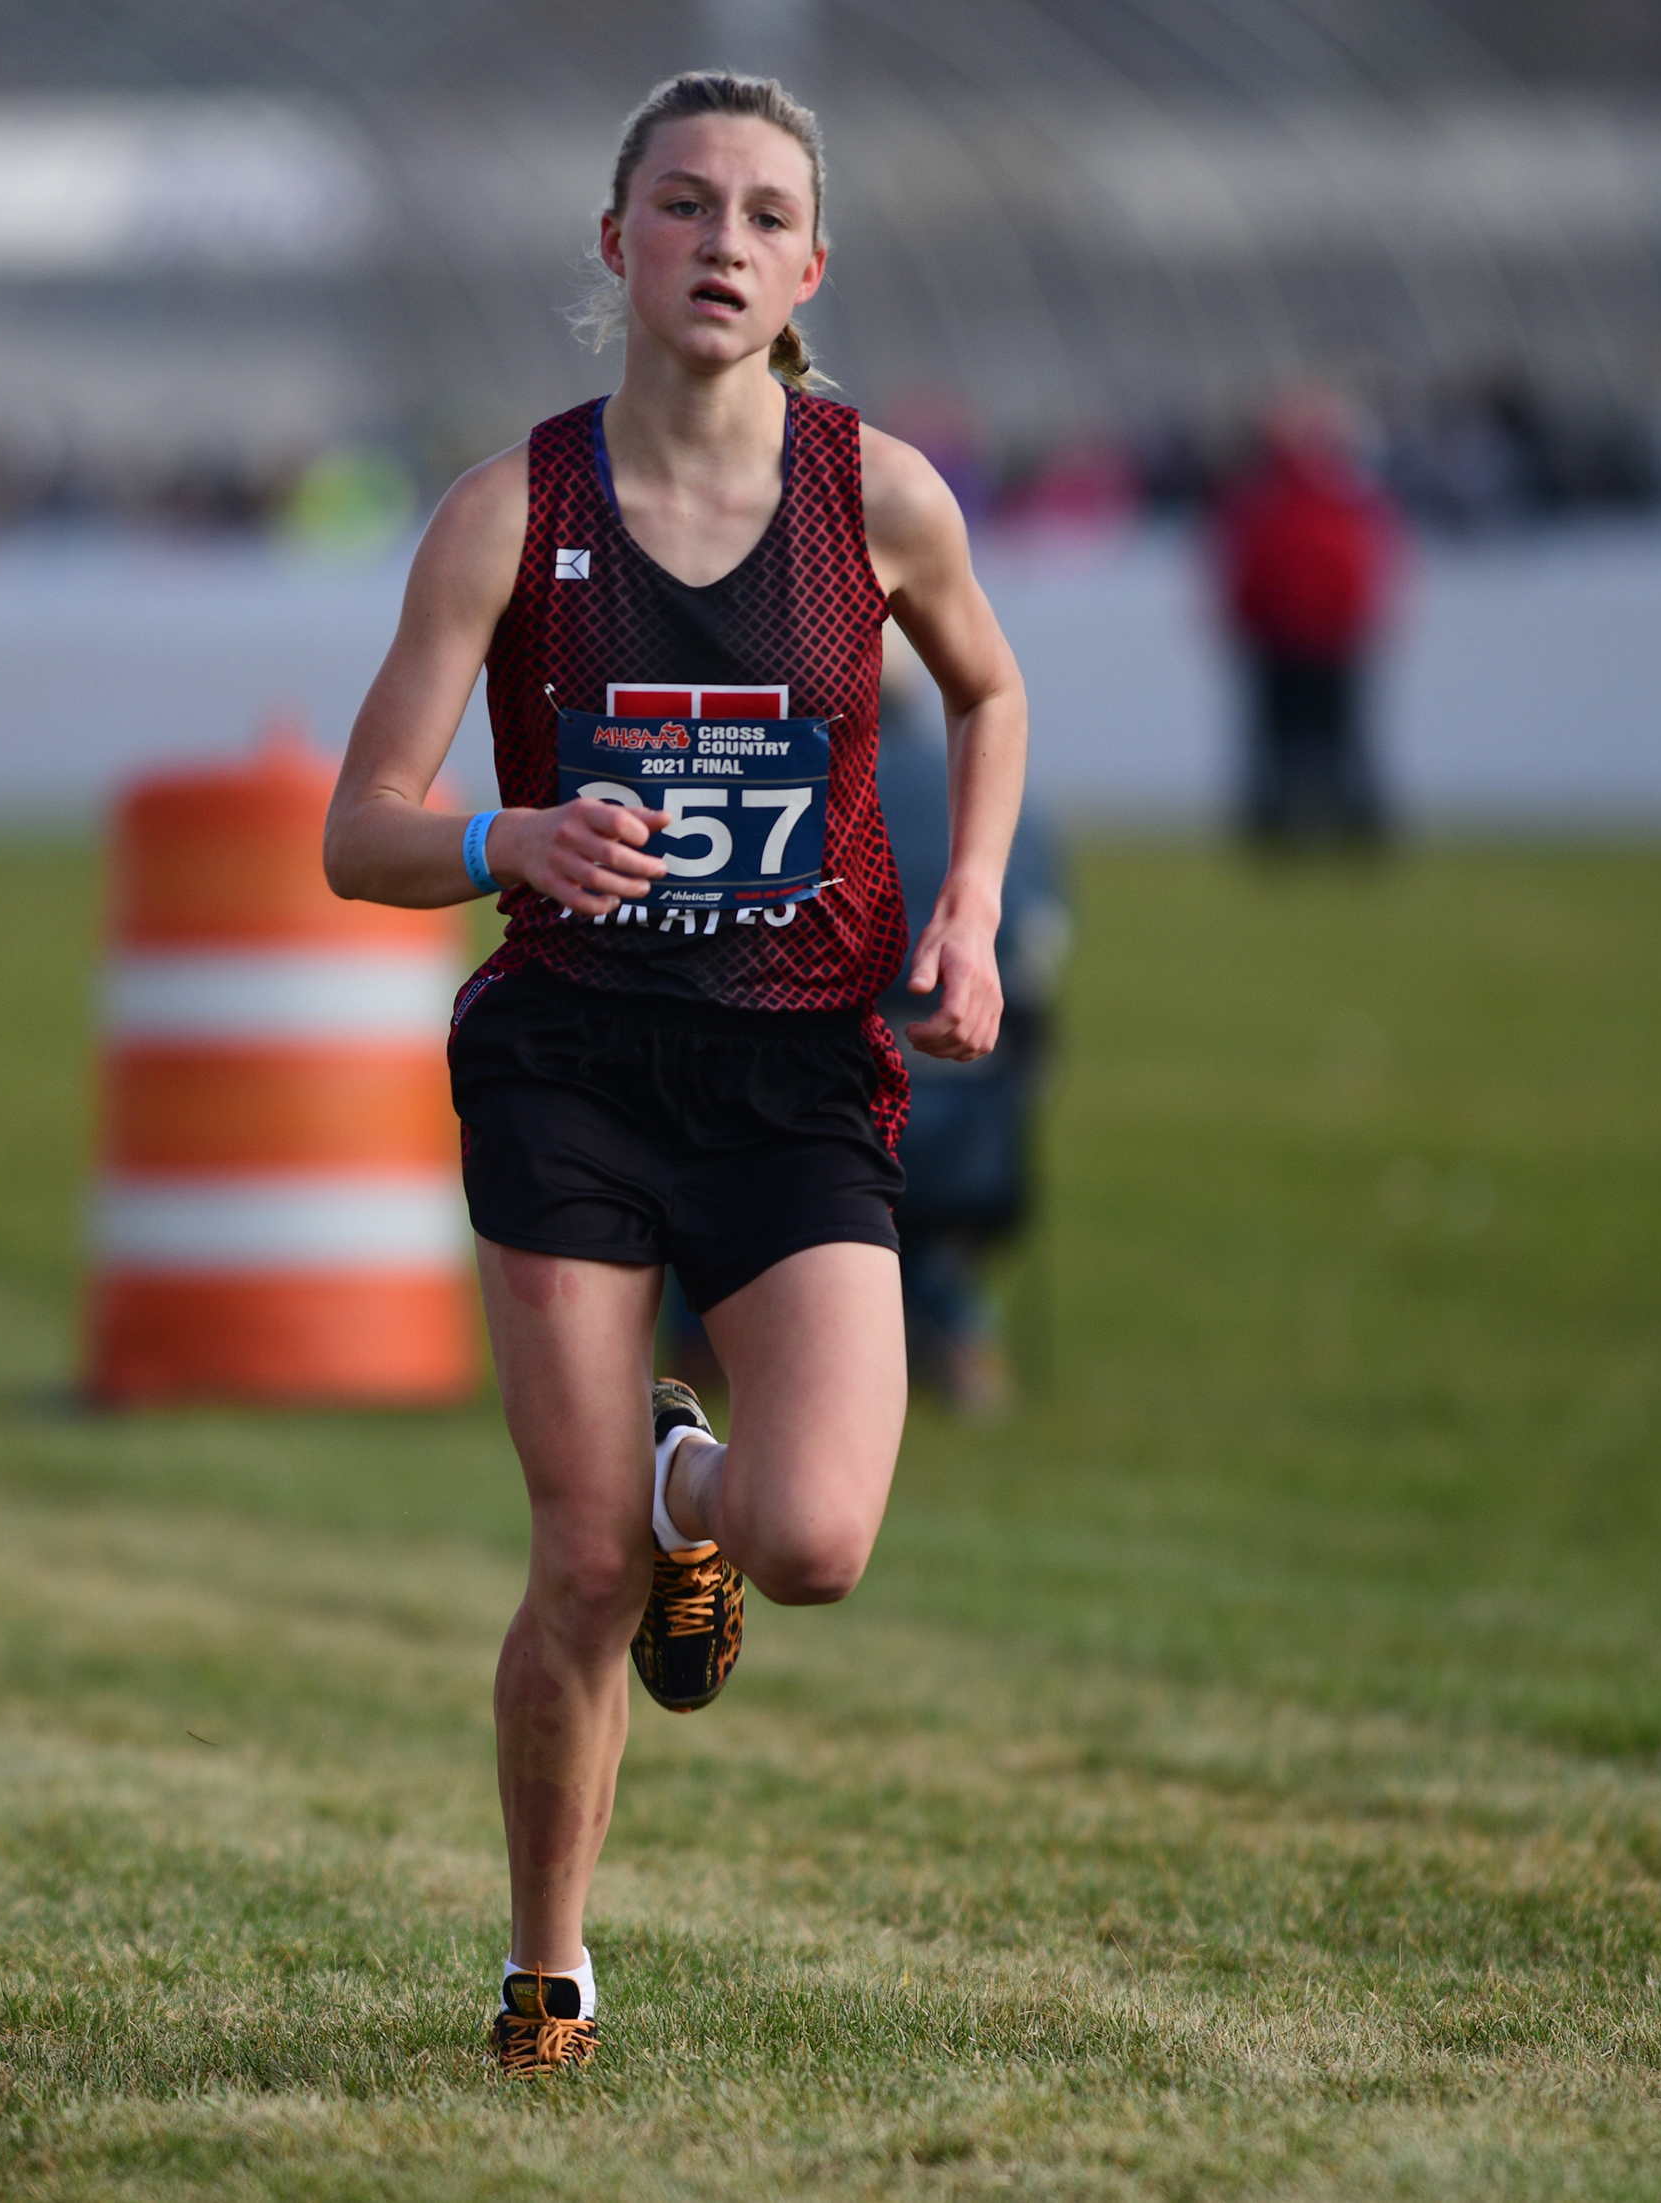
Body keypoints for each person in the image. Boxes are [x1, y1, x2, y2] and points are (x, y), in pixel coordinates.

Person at [322, 70, 1028, 2074]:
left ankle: (684, 1478)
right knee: (574, 1567)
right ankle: (550, 1965)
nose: (718, 240)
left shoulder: (873, 496)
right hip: (570, 1066)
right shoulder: (507, 511)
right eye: (681, 204)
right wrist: (504, 840)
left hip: (800, 1069)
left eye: (760, 213)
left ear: (808, 266)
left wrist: (965, 906)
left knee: (811, 1541)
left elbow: (987, 689)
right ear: (613, 243)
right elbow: (356, 828)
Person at [875, 690, 1072, 1413]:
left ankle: (701, 1337)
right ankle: (955, 1326)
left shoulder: (811, 780)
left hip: (839, 1072)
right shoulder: (990, 786)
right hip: (978, 1076)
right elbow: (1042, 936)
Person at [1213, 391, 1397, 848]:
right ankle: (1354, 831)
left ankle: (1282, 830)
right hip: (1324, 638)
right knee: (1338, 741)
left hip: (1289, 639)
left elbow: (1242, 567)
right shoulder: (1346, 492)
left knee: (1286, 742)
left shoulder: (1260, 498)